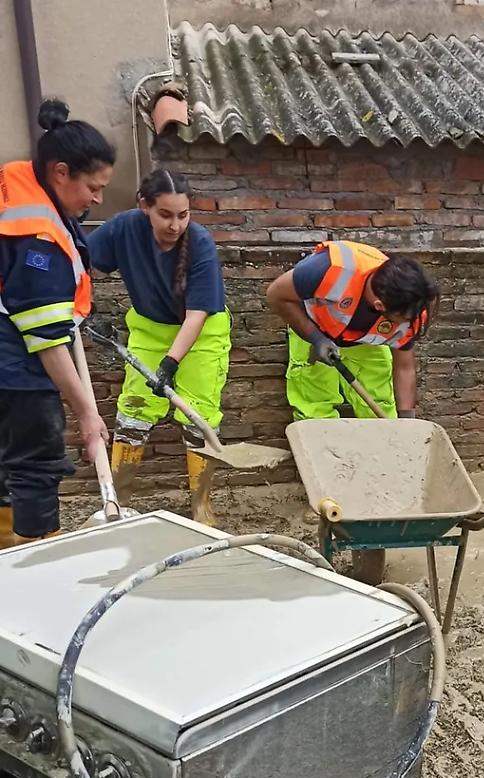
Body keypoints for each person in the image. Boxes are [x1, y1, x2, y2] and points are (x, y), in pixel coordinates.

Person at [0, 98, 114, 550]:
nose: (98, 198)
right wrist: (88, 416)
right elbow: (50, 342)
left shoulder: (19, 176)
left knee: (11, 436)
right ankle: (37, 561)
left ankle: (1, 544)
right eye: (92, 187)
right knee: (37, 454)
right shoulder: (38, 238)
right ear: (60, 172)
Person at [87, 169, 230, 526]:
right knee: (133, 412)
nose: (175, 225)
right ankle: (118, 503)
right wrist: (84, 309)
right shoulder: (123, 229)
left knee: (198, 416)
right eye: (165, 214)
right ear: (145, 207)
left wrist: (170, 362)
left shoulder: (199, 243)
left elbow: (197, 315)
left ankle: (201, 505)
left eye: (183, 215)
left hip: (201, 332)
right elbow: (81, 263)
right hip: (150, 330)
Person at [265, 240, 438, 420]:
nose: (407, 323)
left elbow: (404, 367)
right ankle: (321, 447)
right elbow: (276, 295)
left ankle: (381, 446)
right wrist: (316, 339)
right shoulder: (325, 270)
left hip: (364, 338)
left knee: (379, 407)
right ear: (380, 306)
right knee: (315, 408)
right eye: (404, 319)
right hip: (311, 325)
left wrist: (407, 422)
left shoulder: (410, 304)